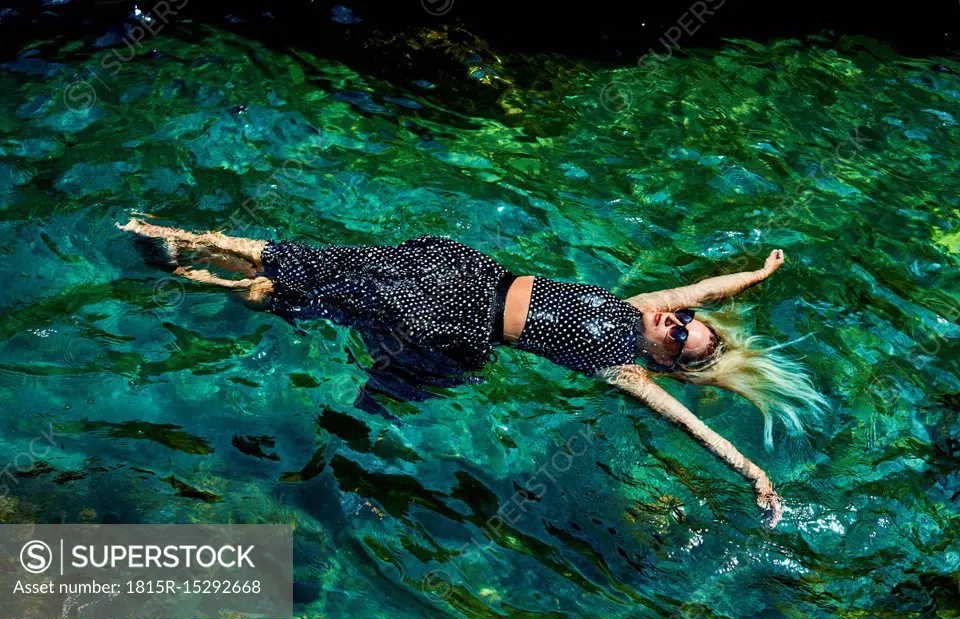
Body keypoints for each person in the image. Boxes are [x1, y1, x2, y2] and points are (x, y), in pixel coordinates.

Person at [119, 216, 826, 526]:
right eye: (680, 320)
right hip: (461, 272)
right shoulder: (638, 305)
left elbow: (693, 425)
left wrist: (753, 473)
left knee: (319, 292)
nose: (673, 322)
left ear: (665, 364)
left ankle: (195, 271)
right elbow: (707, 288)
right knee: (324, 270)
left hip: (457, 323)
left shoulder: (623, 368)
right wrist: (759, 274)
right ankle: (187, 244)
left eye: (678, 339)